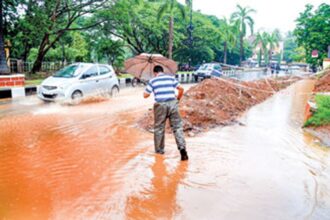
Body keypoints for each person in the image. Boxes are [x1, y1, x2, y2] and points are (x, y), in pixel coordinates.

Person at [143, 65, 189, 161]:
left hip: (160, 106)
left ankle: (159, 153)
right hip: (173, 104)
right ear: (162, 71)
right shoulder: (170, 78)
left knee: (159, 128)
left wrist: (148, 89)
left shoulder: (153, 81)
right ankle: (182, 149)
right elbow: (181, 89)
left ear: (155, 73)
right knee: (177, 128)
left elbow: (145, 96)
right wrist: (178, 99)